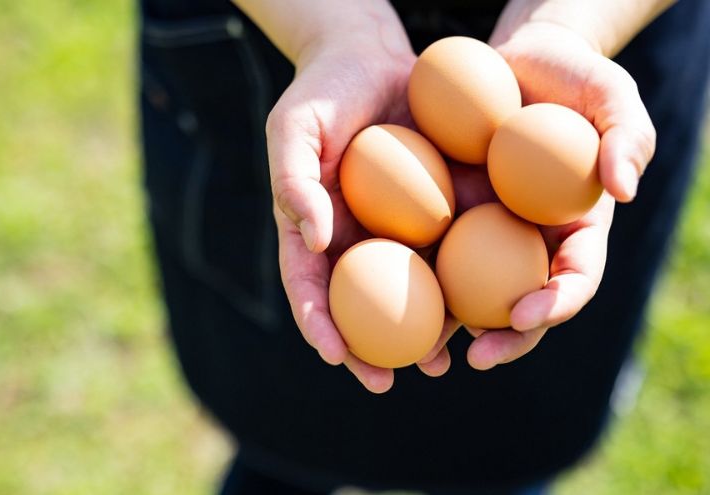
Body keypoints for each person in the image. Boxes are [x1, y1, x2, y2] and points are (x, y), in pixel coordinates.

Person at [138, 0, 710, 493]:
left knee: (509, 447)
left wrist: (571, 24)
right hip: (275, 41)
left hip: (598, 41)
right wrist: (327, 28)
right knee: (285, 432)